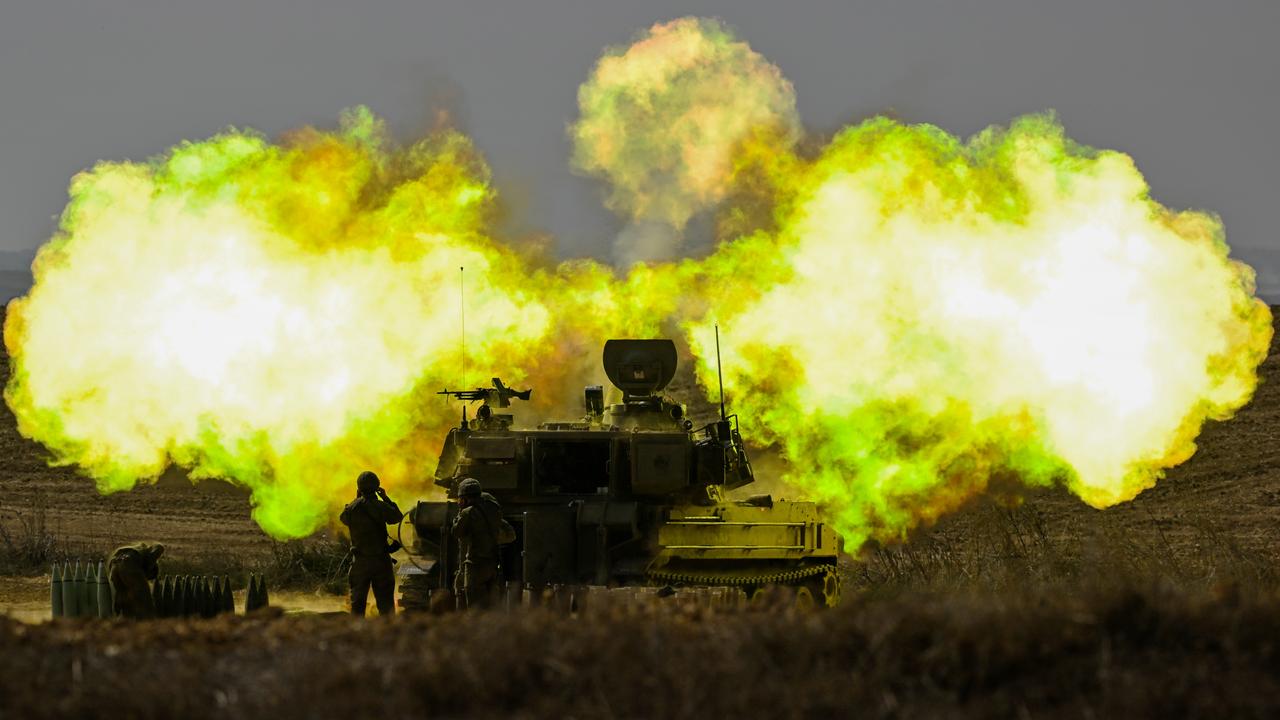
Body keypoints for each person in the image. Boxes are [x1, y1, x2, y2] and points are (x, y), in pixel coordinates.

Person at [339, 470, 402, 617]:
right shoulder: (381, 506)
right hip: (381, 561)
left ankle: (357, 635)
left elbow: (344, 519)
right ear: (377, 487)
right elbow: (397, 517)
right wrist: (385, 498)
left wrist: (357, 499)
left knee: (357, 605)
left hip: (360, 562)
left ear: (359, 488)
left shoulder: (351, 508)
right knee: (386, 606)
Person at [451, 477, 514, 610]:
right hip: (492, 564)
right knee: (491, 607)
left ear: (465, 499)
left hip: (474, 565)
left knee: (472, 607)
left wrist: (458, 516)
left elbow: (456, 532)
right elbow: (509, 534)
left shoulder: (468, 513)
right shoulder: (491, 509)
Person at [107, 542, 164, 619]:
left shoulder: (135, 551)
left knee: (123, 597)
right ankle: (148, 623)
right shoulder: (147, 556)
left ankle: (124, 621)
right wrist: (150, 563)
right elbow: (160, 547)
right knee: (145, 598)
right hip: (129, 562)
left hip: (114, 564)